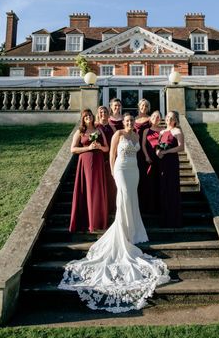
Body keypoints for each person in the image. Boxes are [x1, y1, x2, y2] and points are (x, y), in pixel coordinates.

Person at [59, 113, 170, 312]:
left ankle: (133, 230)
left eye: (130, 121)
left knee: (132, 199)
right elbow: (111, 154)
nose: (128, 123)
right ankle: (121, 230)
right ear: (123, 122)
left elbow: (142, 151)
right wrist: (112, 171)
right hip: (120, 168)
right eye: (126, 121)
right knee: (124, 198)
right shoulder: (117, 133)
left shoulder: (136, 136)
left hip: (134, 170)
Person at [69, 109, 109, 233]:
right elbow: (73, 149)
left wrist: (99, 147)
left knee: (97, 190)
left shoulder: (99, 130)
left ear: (93, 116)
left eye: (89, 115)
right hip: (85, 163)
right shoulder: (80, 132)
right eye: (85, 116)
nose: (88, 117)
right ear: (83, 118)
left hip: (98, 163)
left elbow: (107, 148)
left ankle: (98, 220)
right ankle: (86, 221)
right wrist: (88, 148)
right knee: (87, 189)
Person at [157, 110, 184, 228]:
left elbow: (181, 147)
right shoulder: (162, 131)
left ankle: (174, 219)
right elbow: (158, 146)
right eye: (168, 117)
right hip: (162, 162)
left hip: (172, 162)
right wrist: (158, 151)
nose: (169, 119)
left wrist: (166, 151)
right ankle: (164, 218)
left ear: (175, 120)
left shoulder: (177, 131)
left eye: (172, 117)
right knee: (163, 187)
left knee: (171, 187)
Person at [95, 105, 117, 213]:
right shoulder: (95, 126)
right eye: (101, 112)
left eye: (105, 112)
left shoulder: (112, 127)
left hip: (110, 157)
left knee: (110, 183)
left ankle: (111, 207)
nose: (103, 114)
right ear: (98, 114)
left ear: (108, 114)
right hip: (98, 158)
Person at [141, 110, 163, 213]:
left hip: (160, 159)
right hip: (149, 159)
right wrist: (146, 156)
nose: (156, 118)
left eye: (158, 117)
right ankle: (150, 206)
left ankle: (160, 206)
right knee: (150, 182)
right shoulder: (146, 130)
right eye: (154, 116)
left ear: (161, 119)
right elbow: (143, 145)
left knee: (160, 182)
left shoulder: (163, 130)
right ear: (150, 118)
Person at [134, 99, 151, 211]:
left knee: (144, 176)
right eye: (142, 105)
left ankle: (145, 203)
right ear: (139, 106)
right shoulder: (134, 119)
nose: (144, 107)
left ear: (148, 108)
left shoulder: (150, 119)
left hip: (146, 149)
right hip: (134, 149)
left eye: (146, 106)